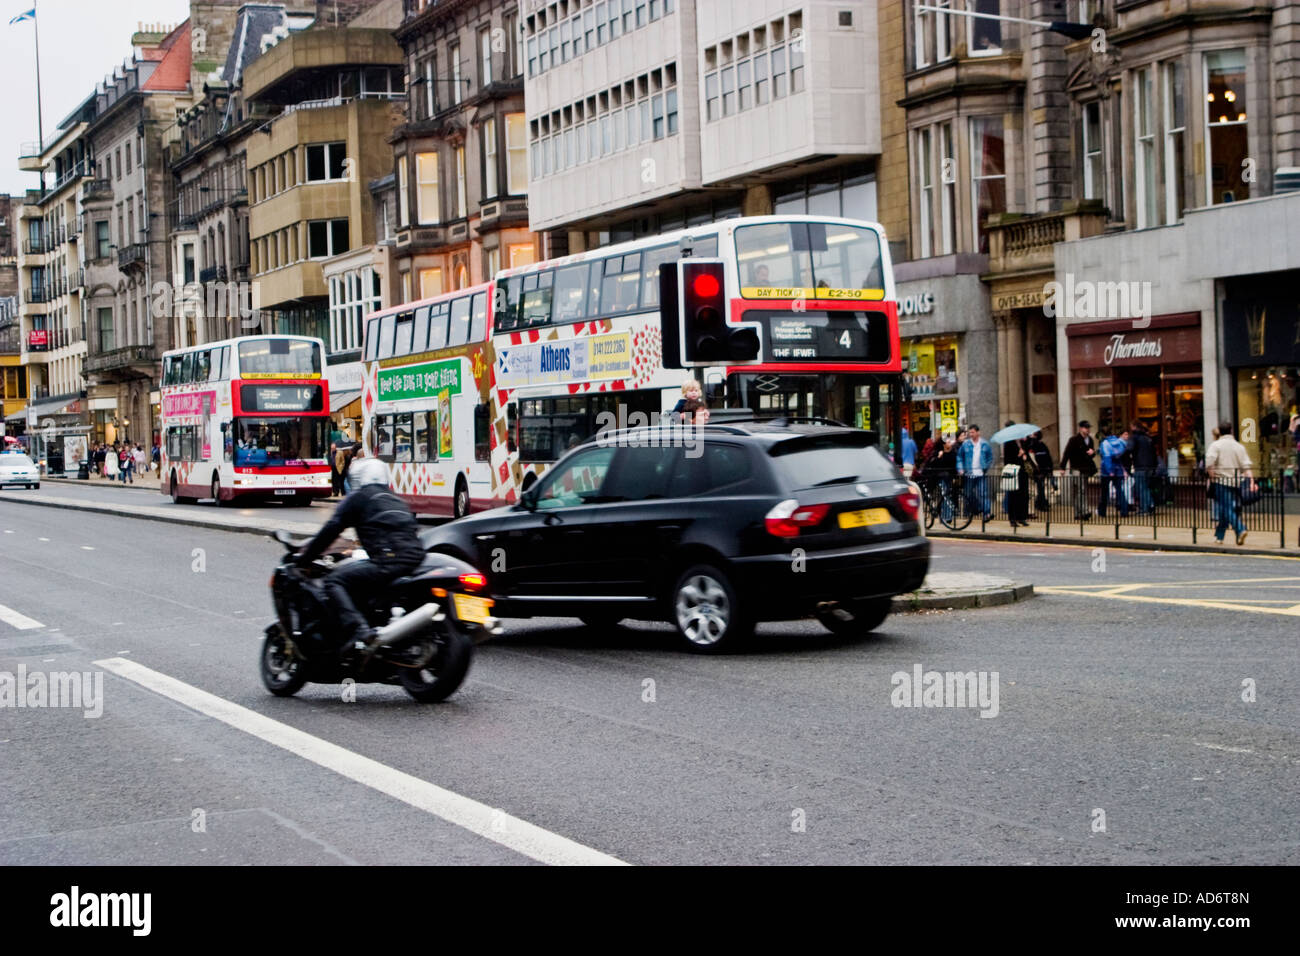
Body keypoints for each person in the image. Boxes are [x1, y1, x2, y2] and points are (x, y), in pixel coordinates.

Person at [294, 457, 427, 658]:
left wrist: (305, 559)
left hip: (387, 559)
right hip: (415, 559)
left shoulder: (359, 498)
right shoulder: (396, 499)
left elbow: (331, 529)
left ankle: (360, 630)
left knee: (334, 581)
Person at [1205, 420, 1255, 546]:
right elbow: (1246, 466)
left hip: (1221, 481)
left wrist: (1212, 477)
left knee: (1226, 508)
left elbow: (1209, 463)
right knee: (1225, 509)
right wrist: (1252, 482)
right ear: (1231, 430)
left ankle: (1240, 529)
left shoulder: (1216, 445)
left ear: (1220, 432)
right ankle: (1219, 536)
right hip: (1236, 482)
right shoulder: (1239, 446)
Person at [1061, 420, 1098, 519]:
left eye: (1089, 427)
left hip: (1086, 468)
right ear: (1081, 428)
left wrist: (1092, 453)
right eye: (1086, 428)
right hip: (1076, 468)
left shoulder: (1090, 440)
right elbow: (1066, 453)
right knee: (1081, 490)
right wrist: (1062, 467)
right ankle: (1084, 511)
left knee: (1082, 491)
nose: (1088, 429)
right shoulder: (1074, 440)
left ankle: (1078, 513)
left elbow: (1091, 454)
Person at [956, 424, 993, 519]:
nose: (970, 434)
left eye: (972, 432)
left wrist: (986, 467)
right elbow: (959, 456)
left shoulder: (985, 444)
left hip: (981, 473)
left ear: (978, 432)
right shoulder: (965, 444)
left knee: (983, 493)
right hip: (969, 474)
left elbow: (990, 458)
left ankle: (987, 513)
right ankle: (970, 511)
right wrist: (960, 468)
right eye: (970, 432)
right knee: (967, 494)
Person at [1097, 426, 1131, 519]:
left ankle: (1102, 512)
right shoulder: (1120, 442)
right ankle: (1124, 511)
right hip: (1118, 469)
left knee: (1104, 492)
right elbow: (1120, 457)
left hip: (1106, 471)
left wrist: (1109, 471)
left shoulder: (1105, 443)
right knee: (1120, 491)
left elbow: (1106, 457)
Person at [1128, 420, 1158, 514]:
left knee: (1141, 488)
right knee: (1146, 487)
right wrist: (1154, 466)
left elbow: (1129, 448)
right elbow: (1154, 453)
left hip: (1140, 466)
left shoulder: (1135, 437)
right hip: (1150, 466)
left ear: (1134, 427)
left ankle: (1144, 509)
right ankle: (1150, 505)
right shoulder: (1148, 438)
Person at [1028, 430, 1054, 514]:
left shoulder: (1041, 445)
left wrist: (1050, 468)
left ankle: (1040, 502)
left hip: (1043, 469)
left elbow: (1048, 457)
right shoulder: (1032, 445)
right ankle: (1040, 503)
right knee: (1040, 488)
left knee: (1041, 488)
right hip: (1038, 470)